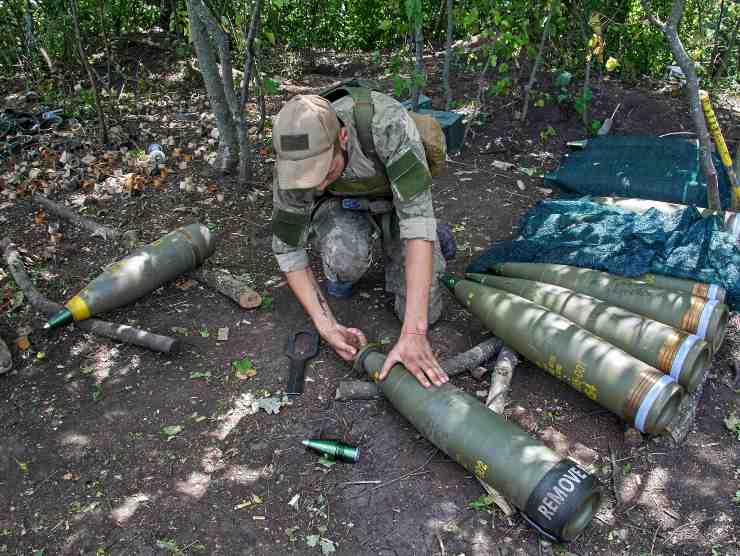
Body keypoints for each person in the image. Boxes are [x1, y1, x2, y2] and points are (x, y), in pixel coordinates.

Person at [270, 88, 450, 388]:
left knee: (425, 315)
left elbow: (417, 223)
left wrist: (414, 334)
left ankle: (431, 238)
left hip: (397, 203)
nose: (313, 185)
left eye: (324, 172)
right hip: (341, 206)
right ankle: (344, 270)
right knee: (345, 257)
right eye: (306, 178)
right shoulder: (292, 163)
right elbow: (288, 249)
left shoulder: (386, 124)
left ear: (342, 138)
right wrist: (325, 325)